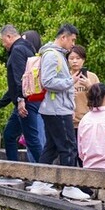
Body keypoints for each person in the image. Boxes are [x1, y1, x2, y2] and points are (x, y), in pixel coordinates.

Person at [0, 24, 42, 163]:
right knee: (9, 134)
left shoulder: (17, 50)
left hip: (25, 101)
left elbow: (20, 78)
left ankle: (47, 174)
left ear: (9, 36)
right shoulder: (28, 48)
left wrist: (21, 100)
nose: (3, 45)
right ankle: (13, 169)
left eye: (3, 41)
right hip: (28, 99)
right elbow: (13, 87)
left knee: (32, 139)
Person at [37, 23, 79, 167]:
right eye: (72, 40)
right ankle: (69, 186)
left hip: (55, 107)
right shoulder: (52, 55)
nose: (73, 44)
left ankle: (40, 182)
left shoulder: (57, 55)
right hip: (57, 109)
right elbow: (47, 81)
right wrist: (70, 81)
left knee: (52, 147)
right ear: (63, 37)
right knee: (68, 147)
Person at [68, 44, 100, 129]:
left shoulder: (92, 77)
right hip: (70, 122)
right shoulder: (65, 78)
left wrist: (90, 86)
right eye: (71, 58)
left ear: (83, 60)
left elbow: (101, 99)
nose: (75, 61)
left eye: (78, 58)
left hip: (89, 122)